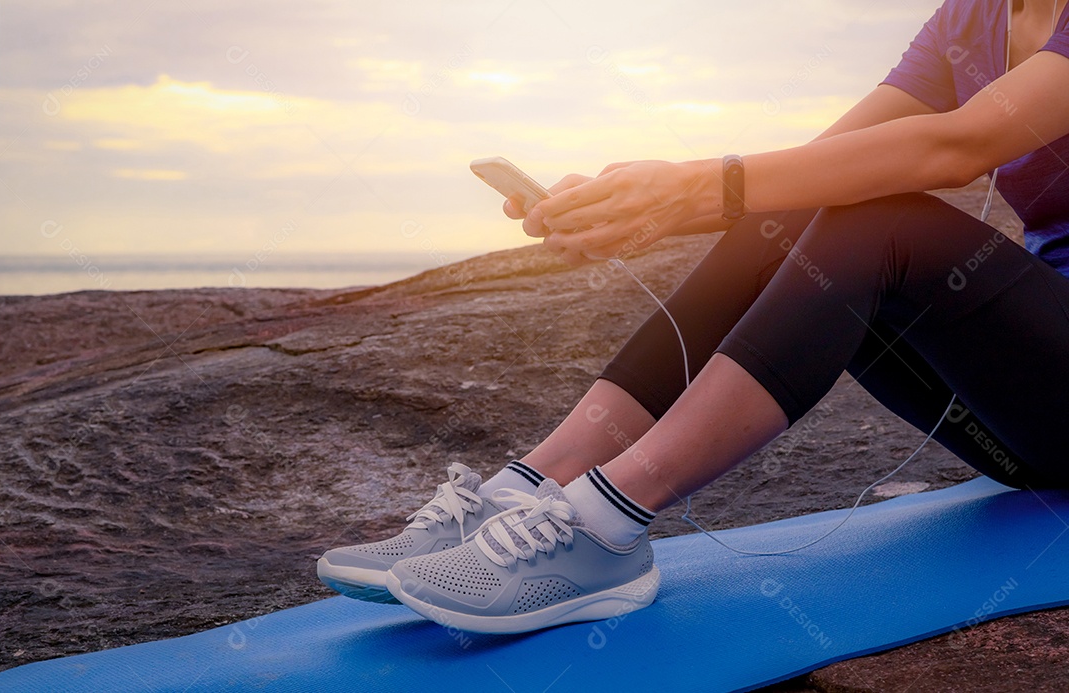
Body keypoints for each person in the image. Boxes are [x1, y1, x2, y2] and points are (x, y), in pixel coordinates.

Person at [317, 0, 1069, 634]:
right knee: (807, 204)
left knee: (877, 223)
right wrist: (631, 211)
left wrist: (694, 187)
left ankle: (604, 527)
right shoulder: (975, 15)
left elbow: (959, 146)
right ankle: (535, 483)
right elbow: (823, 165)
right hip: (1036, 418)